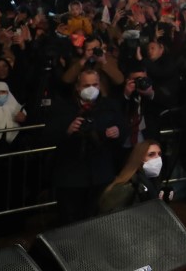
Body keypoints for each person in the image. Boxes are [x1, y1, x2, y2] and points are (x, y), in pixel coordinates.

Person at [43, 67, 126, 227]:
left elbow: (123, 127)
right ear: (77, 87)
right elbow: (47, 135)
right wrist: (67, 130)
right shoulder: (63, 107)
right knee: (70, 223)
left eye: (95, 84)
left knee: (99, 221)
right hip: (71, 177)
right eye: (86, 85)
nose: (91, 89)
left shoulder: (110, 106)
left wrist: (117, 131)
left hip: (101, 174)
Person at [97, 139, 174, 215]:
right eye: (151, 154)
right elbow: (114, 218)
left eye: (159, 154)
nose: (158, 158)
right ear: (139, 158)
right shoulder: (127, 186)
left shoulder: (153, 180)